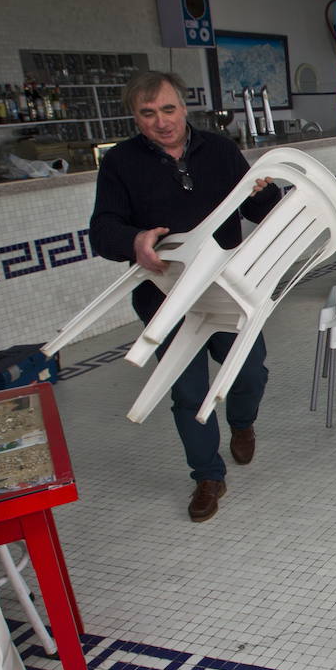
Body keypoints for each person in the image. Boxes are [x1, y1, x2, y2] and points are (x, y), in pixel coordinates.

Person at [89, 71, 280, 522]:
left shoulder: (219, 150)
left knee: (249, 372)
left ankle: (242, 421)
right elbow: (102, 230)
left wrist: (267, 190)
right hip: (166, 296)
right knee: (188, 391)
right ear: (135, 117)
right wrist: (134, 240)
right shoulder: (120, 163)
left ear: (184, 107)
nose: (161, 122)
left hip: (227, 288)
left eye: (168, 109)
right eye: (148, 114)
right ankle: (207, 476)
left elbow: (259, 210)